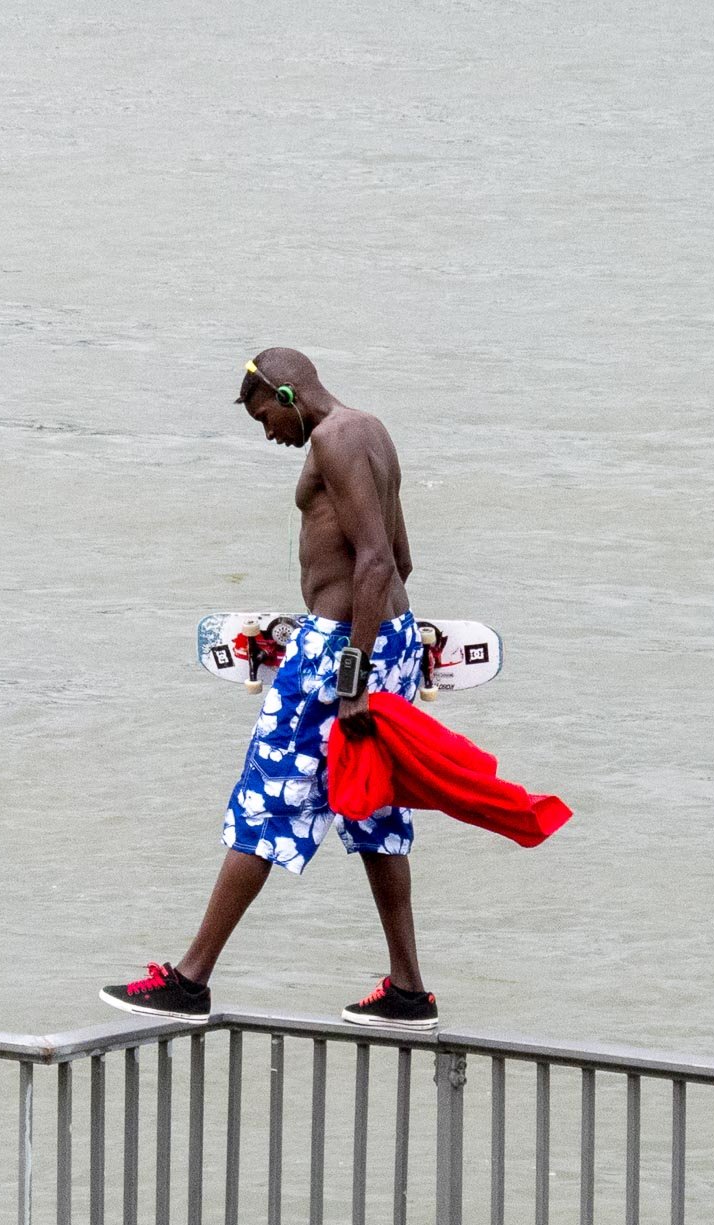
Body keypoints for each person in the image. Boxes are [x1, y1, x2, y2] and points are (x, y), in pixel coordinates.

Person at [100, 348, 440, 1031]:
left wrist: (349, 676)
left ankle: (190, 978)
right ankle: (408, 989)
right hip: (389, 638)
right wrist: (379, 656)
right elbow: (401, 559)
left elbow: (374, 560)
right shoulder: (370, 429)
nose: (268, 434)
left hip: (342, 649)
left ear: (287, 393)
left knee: (264, 797)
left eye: (264, 417)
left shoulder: (334, 439)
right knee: (372, 812)